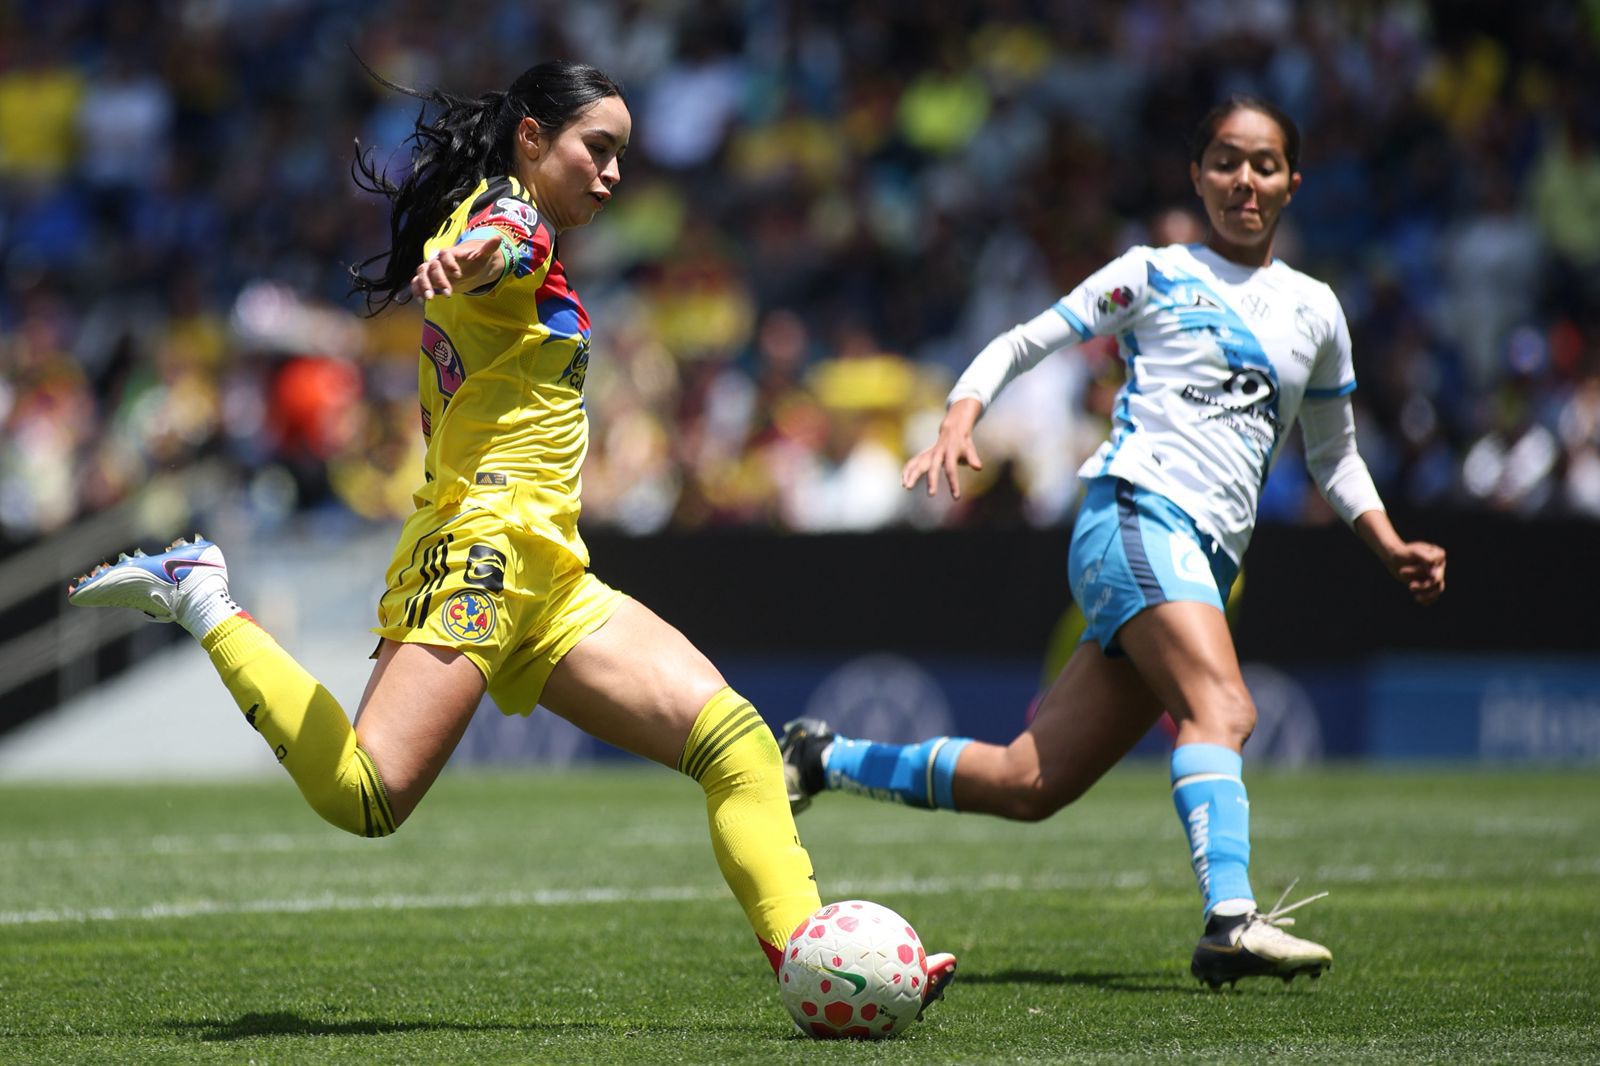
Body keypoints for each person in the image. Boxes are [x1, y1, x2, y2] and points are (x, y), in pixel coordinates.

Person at [67, 60, 954, 1018]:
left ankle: (814, 964)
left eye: (622, 156)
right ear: (531, 139)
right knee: (369, 794)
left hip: (551, 568)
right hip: (484, 546)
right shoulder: (510, 218)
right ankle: (203, 594)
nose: (613, 175)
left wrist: (476, 251)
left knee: (737, 745)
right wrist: (476, 252)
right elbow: (505, 240)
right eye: (597, 149)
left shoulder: (515, 221)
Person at [782, 96, 1447, 990]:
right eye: (1223, 161)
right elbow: (1028, 339)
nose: (1242, 180)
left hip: (1201, 554)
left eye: (1262, 164)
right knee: (1226, 710)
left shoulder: (1316, 313)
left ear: (1293, 181)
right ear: (1197, 175)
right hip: (1135, 514)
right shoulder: (1155, 273)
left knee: (1029, 783)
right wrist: (958, 416)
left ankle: (822, 757)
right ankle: (1230, 921)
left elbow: (1336, 459)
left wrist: (1390, 542)